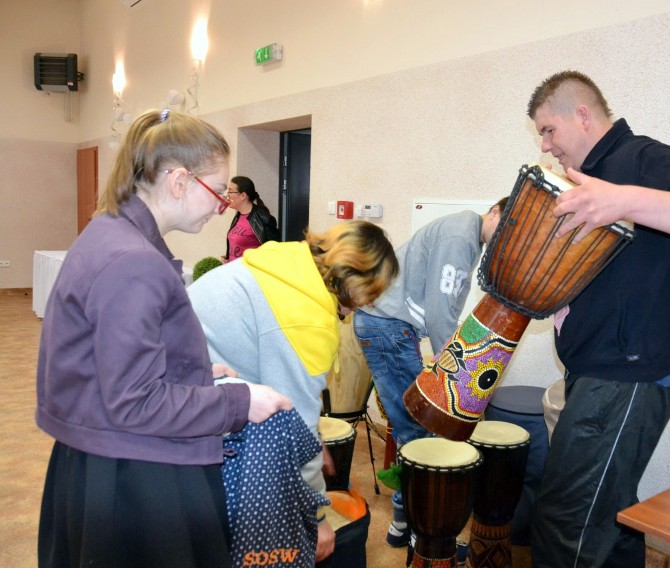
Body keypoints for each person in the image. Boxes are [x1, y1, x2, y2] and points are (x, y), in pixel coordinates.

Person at [35, 109, 292, 568]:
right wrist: (238, 402)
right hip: (129, 478)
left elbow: (109, 360)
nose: (222, 207)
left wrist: (189, 369)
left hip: (105, 458)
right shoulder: (132, 261)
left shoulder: (111, 234)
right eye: (217, 191)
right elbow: (134, 403)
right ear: (178, 181)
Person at [525, 71, 670, 567]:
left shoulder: (640, 158)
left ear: (582, 115)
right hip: (596, 374)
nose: (546, 145)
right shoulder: (585, 179)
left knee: (565, 525)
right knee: (611, 518)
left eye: (548, 129)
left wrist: (623, 199)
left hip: (624, 378)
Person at [188, 221, 399, 563]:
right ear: (357, 283)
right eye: (371, 295)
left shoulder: (291, 261)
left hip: (183, 392)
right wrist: (316, 519)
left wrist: (310, 439)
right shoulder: (308, 319)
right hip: (199, 422)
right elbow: (291, 427)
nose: (368, 305)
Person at [352, 198, 507, 547]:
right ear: (495, 211)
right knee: (421, 432)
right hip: (387, 328)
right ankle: (422, 532)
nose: (504, 240)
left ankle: (402, 525)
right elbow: (440, 314)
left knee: (413, 430)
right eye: (506, 229)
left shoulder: (466, 232)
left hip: (386, 328)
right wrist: (454, 372)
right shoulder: (461, 237)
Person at [223, 175, 279, 261]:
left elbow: (275, 252)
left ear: (243, 195)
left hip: (250, 273)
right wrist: (229, 259)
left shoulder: (264, 219)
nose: (227, 196)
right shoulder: (238, 216)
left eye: (230, 192)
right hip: (235, 271)